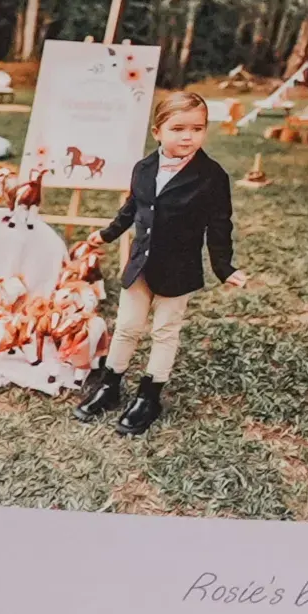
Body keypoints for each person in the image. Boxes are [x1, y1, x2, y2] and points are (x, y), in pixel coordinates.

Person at [72, 89, 247, 436]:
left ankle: (149, 396)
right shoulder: (144, 167)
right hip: (140, 265)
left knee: (165, 332)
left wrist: (224, 267)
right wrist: (106, 234)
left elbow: (219, 226)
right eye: (178, 128)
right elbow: (132, 208)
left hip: (178, 270)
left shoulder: (212, 176)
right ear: (157, 131)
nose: (188, 136)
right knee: (127, 327)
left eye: (197, 129)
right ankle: (110, 386)